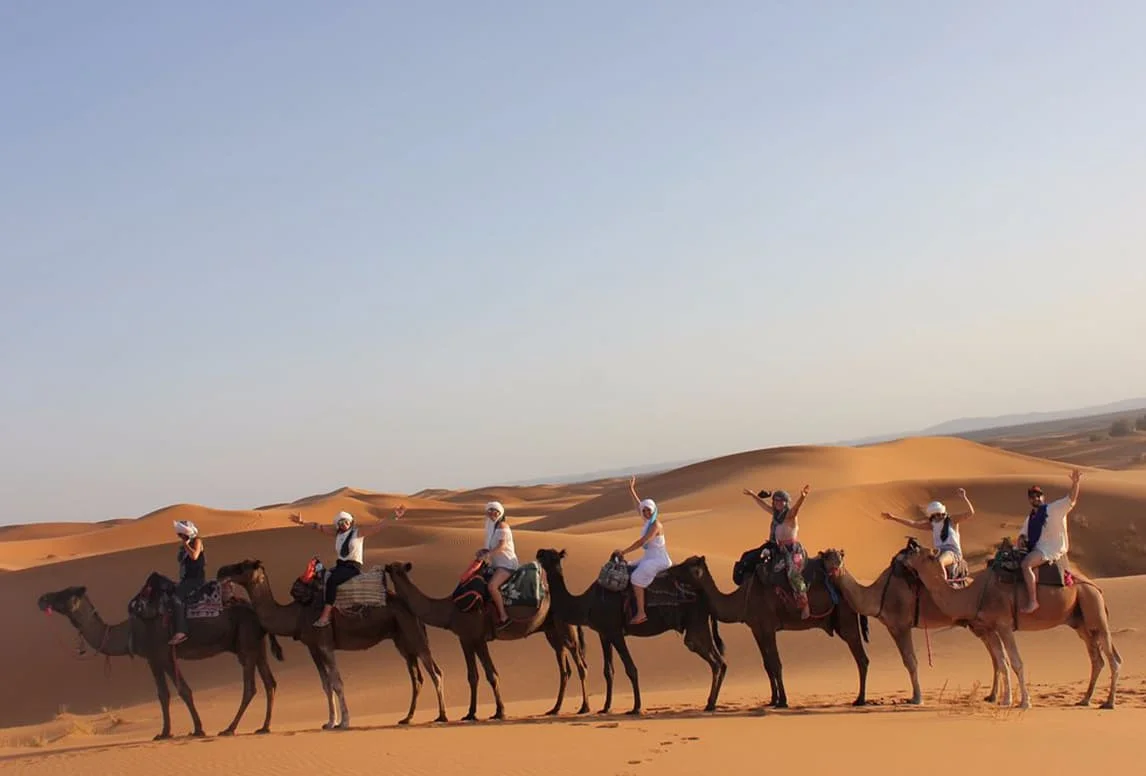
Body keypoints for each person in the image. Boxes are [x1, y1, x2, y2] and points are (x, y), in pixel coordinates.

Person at [291, 506, 403, 627]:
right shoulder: (337, 534)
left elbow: (378, 527)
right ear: (338, 525)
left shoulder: (358, 533)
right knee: (320, 576)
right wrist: (302, 522)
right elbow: (318, 527)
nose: (344, 524)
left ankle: (325, 616)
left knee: (332, 581)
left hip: (352, 567)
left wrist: (394, 516)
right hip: (340, 566)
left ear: (350, 522)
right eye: (341, 522)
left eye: (346, 521)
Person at [1017, 469, 1081, 614]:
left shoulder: (1053, 509)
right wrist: (1021, 539)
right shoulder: (1031, 518)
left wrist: (1075, 483)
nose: (1036, 498)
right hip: (1038, 548)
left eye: (1038, 495)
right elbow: (1023, 534)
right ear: (1029, 500)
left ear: (1043, 497)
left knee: (1026, 565)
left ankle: (1033, 601)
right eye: (1033, 496)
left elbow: (1071, 499)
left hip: (1051, 548)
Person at [742, 485, 811, 618]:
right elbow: (764, 505)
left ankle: (805, 604)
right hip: (779, 548)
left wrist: (803, 497)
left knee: (792, 574)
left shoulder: (790, 515)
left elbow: (796, 509)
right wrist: (753, 495)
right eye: (776, 501)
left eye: (781, 501)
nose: (778, 503)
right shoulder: (776, 515)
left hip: (793, 550)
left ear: (786, 502)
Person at [881, 488, 975, 580]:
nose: (938, 517)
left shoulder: (952, 521)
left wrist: (964, 497)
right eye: (935, 515)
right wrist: (893, 518)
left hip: (953, 553)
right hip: (939, 551)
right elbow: (913, 523)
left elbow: (970, 513)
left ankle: (944, 586)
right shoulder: (933, 525)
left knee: (939, 562)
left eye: (940, 514)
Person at [615, 476, 673, 626]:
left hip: (659, 560)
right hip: (649, 557)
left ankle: (641, 613)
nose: (646, 512)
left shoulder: (655, 526)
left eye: (649, 510)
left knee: (636, 578)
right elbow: (638, 506)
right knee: (629, 566)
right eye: (645, 510)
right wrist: (632, 490)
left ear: (653, 511)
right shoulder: (647, 522)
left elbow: (642, 542)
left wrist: (624, 551)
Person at [476, 501, 518, 629]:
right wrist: (482, 552)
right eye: (490, 511)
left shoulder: (502, 526)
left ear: (500, 513)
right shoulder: (491, 527)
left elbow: (502, 546)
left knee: (492, 586)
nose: (492, 513)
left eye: (495, 511)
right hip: (497, 564)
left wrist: (488, 555)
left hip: (507, 564)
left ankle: (504, 616)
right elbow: (491, 547)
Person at [167, 520, 206, 645]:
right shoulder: (184, 546)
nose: (179, 537)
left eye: (181, 535)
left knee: (176, 598)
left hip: (196, 580)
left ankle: (181, 632)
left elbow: (194, 556)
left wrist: (185, 545)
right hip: (186, 580)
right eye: (179, 535)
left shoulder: (197, 541)